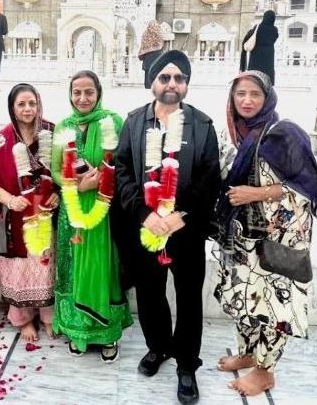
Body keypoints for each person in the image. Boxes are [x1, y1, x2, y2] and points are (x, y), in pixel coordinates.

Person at [114, 50, 220, 404]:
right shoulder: (134, 122)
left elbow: (209, 179)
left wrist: (181, 215)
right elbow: (123, 172)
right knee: (149, 293)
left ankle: (187, 365)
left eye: (179, 78)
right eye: (165, 78)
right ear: (153, 83)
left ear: (186, 85)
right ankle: (158, 348)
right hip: (145, 228)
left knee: (189, 298)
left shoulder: (203, 125)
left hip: (185, 230)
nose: (171, 84)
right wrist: (147, 216)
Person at [213, 70, 317, 396]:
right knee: (246, 298)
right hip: (242, 237)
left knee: (275, 306)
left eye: (255, 94)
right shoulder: (233, 135)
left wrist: (255, 194)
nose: (247, 101)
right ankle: (249, 353)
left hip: (278, 240)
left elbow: (306, 189)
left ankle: (265, 372)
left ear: (267, 98)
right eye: (240, 94)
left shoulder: (284, 134)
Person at [51, 70, 132, 361]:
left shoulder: (112, 121)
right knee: (74, 271)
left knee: (104, 269)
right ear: (70, 94)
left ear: (99, 93)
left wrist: (101, 183)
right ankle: (78, 332)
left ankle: (107, 334)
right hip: (73, 212)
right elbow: (55, 171)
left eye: (89, 92)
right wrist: (76, 184)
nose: (83, 98)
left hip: (104, 211)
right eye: (77, 92)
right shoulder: (63, 126)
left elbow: (126, 163)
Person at [0, 83, 59, 342]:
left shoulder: (53, 132)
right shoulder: (1, 139)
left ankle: (49, 317)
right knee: (19, 271)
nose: (28, 109)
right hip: (14, 218)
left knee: (46, 266)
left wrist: (57, 194)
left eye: (32, 103)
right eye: (21, 104)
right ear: (12, 108)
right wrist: (8, 199)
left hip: (46, 218)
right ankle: (24, 319)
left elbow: (67, 172)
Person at [239, 10, 278, 84]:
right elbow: (274, 39)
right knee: (267, 72)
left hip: (257, 53)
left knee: (255, 74)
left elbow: (249, 37)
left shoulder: (258, 27)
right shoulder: (274, 29)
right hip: (268, 54)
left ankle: (254, 84)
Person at [138, 20, 165, 89]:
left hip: (148, 56)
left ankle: (148, 86)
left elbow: (143, 45)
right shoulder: (159, 33)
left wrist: (143, 53)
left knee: (148, 71)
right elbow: (161, 44)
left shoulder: (145, 34)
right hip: (157, 55)